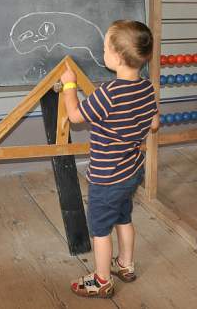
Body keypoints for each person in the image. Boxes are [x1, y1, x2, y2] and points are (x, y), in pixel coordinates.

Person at [60, 20, 159, 297]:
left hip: (106, 178)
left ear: (116, 57)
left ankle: (102, 280)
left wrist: (70, 86)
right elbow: (154, 124)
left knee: (101, 229)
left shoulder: (109, 93)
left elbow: (76, 116)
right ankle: (126, 264)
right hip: (131, 171)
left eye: (104, 48)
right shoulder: (147, 88)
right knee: (123, 217)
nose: (102, 52)